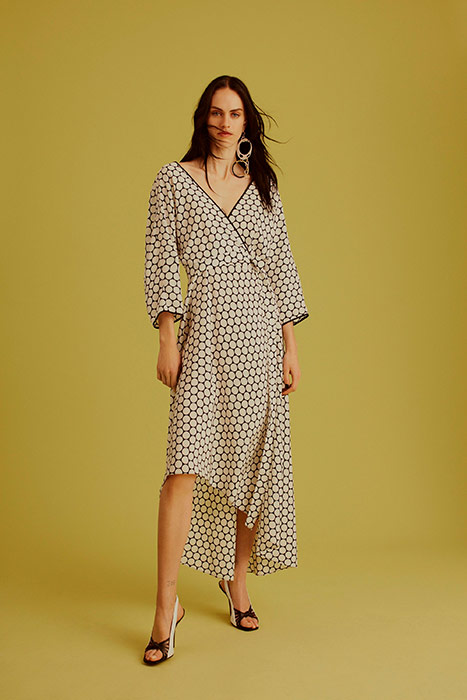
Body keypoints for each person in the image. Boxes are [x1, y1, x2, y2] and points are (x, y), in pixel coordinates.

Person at [142, 75, 309, 665]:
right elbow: (162, 261)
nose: (223, 123)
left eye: (234, 113)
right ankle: (165, 609)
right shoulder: (173, 180)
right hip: (205, 338)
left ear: (247, 123)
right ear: (203, 117)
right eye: (215, 112)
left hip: (259, 340)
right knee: (181, 470)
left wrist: (290, 346)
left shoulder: (262, 186)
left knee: (251, 468)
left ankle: (236, 581)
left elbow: (280, 266)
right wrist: (168, 337)